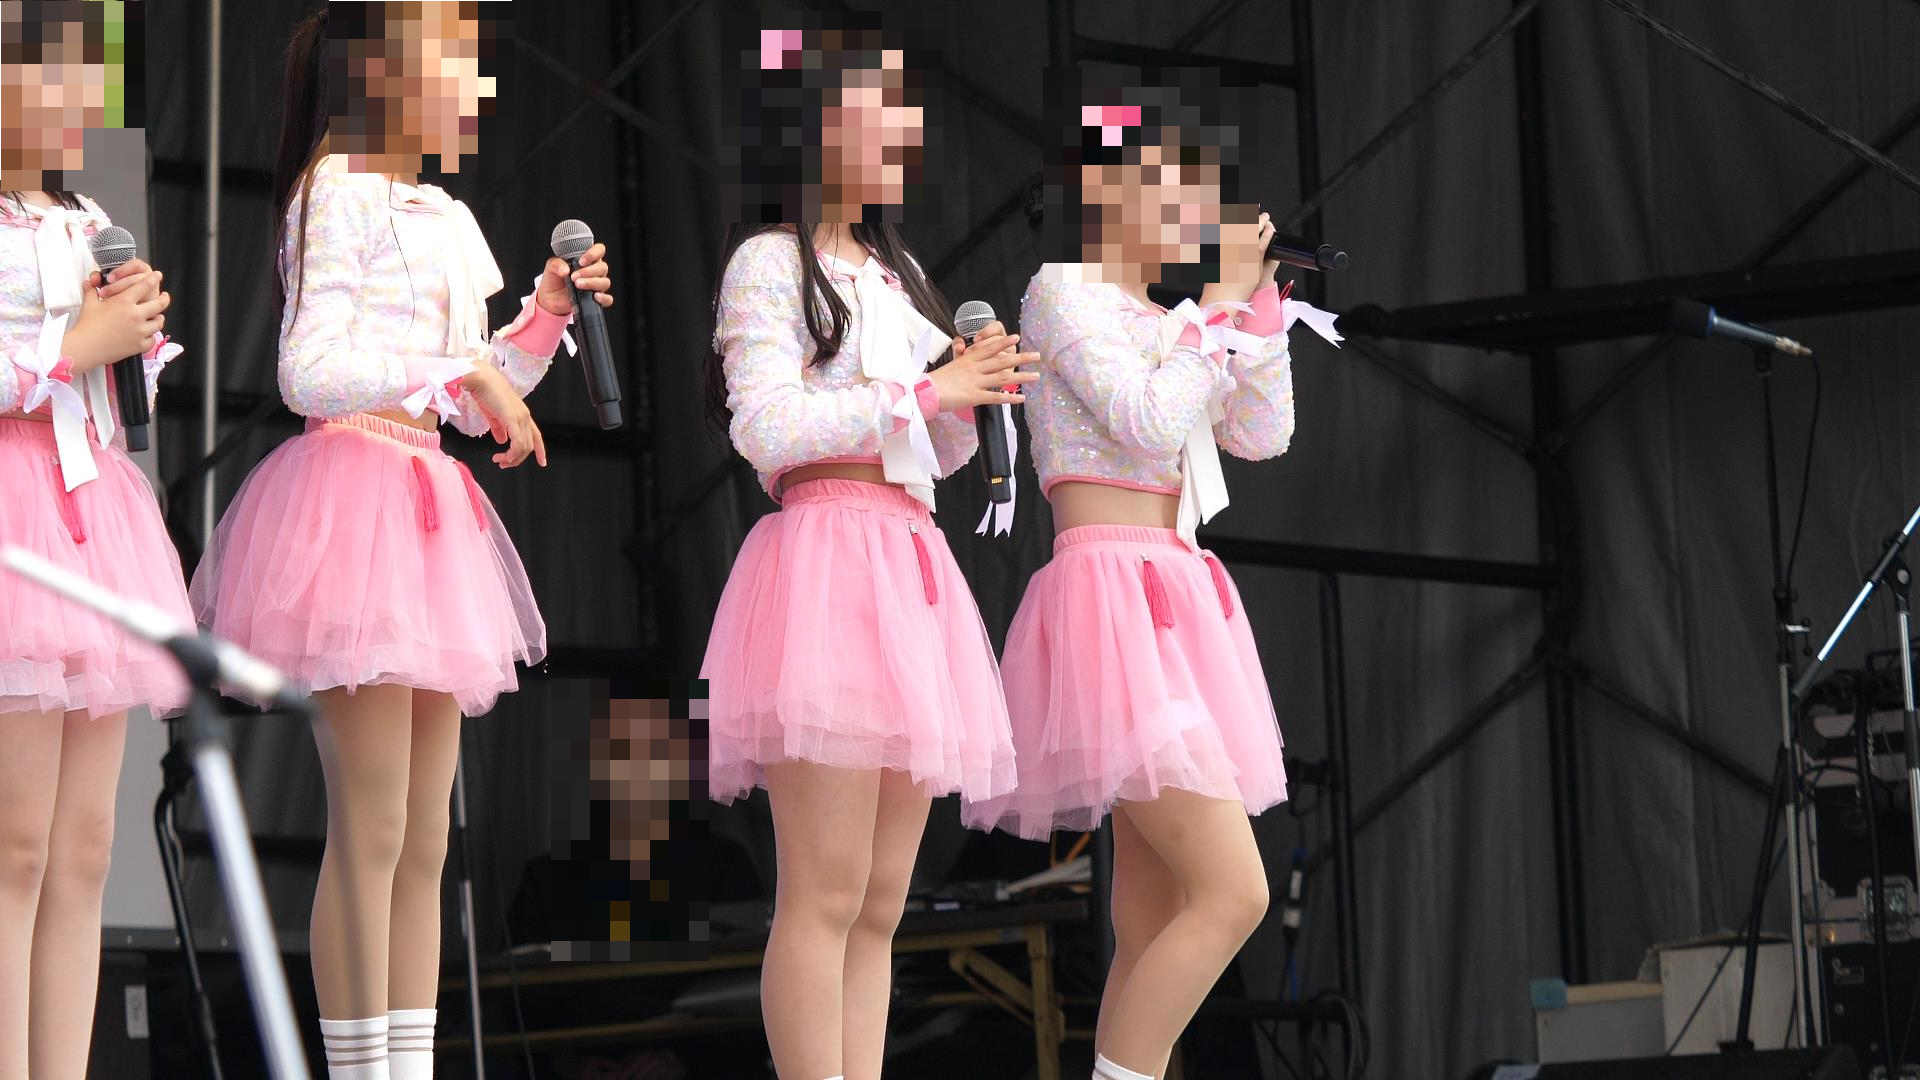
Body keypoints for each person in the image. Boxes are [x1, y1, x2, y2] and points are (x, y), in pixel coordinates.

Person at [188, 6, 613, 1078]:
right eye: (456, 60)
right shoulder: (337, 188)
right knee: (373, 826)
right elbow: (310, 371)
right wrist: (459, 374)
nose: (477, 86)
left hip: (425, 500)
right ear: (383, 71)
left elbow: (474, 399)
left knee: (426, 837)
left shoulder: (442, 212)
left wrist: (542, 321)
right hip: (355, 500)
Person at [963, 82, 1341, 1080]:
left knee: (1154, 912)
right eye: (1177, 185)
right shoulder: (1063, 289)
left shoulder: (1168, 314)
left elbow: (1262, 434)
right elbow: (1144, 419)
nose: (1196, 208)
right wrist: (1212, 315)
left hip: (1176, 600)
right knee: (1234, 892)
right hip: (1112, 598)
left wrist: (1257, 314)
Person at [700, 15, 1033, 1080]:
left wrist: (969, 400)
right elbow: (766, 427)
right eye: (878, 105)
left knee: (884, 900)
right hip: (826, 561)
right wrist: (929, 393)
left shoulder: (898, 272)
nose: (902, 127)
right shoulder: (768, 263)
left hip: (909, 564)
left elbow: (932, 445)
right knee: (828, 888)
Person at [0, 4, 184, 1076]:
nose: (82, 100)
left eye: (92, 78)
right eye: (58, 75)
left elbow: (109, 378)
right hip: (13, 515)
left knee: (83, 845)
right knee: (15, 841)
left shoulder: (87, 216)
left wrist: (138, 337)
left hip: (93, 509)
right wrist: (77, 345)